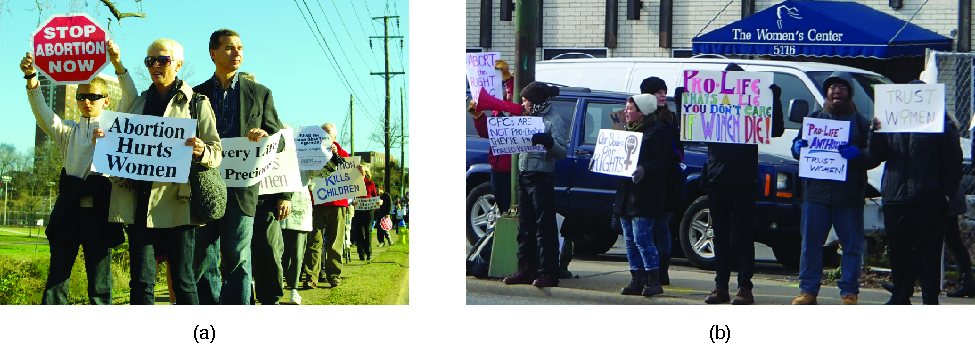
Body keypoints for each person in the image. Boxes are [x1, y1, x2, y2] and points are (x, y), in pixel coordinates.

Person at [94, 37, 222, 305]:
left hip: (178, 204)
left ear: (178, 64)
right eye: (150, 60)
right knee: (140, 281)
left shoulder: (197, 103)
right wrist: (106, 140)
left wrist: (201, 152)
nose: (155, 65)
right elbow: (119, 139)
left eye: (162, 59)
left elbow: (216, 152)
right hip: (138, 203)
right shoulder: (138, 103)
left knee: (183, 279)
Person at [22, 41, 128, 305]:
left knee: (100, 284)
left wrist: (117, 63)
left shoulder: (117, 129)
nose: (85, 102)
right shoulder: (67, 130)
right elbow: (43, 115)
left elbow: (131, 99)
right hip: (68, 210)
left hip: (100, 213)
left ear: (106, 100)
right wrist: (32, 78)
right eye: (81, 97)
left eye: (92, 96)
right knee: (57, 278)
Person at [192, 29, 288, 305]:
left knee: (237, 258)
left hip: (242, 189)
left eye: (240, 48)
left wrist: (264, 138)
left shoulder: (259, 94)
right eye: (230, 48)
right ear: (213, 53)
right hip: (205, 186)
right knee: (203, 257)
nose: (237, 53)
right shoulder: (196, 95)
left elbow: (278, 141)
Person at [868, 79, 963, 305]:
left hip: (929, 199)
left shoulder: (940, 125)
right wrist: (875, 132)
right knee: (898, 252)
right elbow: (875, 157)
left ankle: (930, 300)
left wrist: (946, 194)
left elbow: (953, 162)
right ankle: (900, 296)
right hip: (895, 198)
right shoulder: (891, 123)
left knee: (928, 255)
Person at [789, 71, 878, 305]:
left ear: (849, 92)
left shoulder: (861, 123)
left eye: (842, 87)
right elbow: (798, 150)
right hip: (815, 195)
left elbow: (873, 157)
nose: (836, 91)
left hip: (848, 197)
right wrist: (797, 148)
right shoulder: (813, 119)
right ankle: (808, 291)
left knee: (851, 247)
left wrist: (859, 155)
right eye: (832, 87)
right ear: (827, 92)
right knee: (811, 245)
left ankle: (849, 292)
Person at [700, 63, 784, 305]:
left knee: (743, 236)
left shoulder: (752, 108)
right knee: (720, 235)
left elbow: (775, 129)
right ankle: (721, 286)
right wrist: (683, 101)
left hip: (744, 179)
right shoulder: (712, 106)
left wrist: (774, 99)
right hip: (718, 178)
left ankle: (745, 288)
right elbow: (690, 130)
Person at [501, 81, 568, 288]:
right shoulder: (526, 118)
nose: (523, 104)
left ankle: (548, 271)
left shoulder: (553, 121)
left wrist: (548, 142)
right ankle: (526, 267)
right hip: (524, 175)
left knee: (544, 227)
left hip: (541, 178)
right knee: (526, 226)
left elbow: (562, 152)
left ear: (536, 102)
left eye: (525, 100)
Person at [614, 91, 680, 296]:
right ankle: (636, 278)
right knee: (630, 238)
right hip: (627, 192)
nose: (625, 112)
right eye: (626, 108)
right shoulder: (625, 130)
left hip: (646, 194)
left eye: (630, 109)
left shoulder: (658, 132)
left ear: (641, 112)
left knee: (643, 237)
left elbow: (663, 161)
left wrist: (644, 168)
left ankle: (654, 279)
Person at [303, 123, 352, 288]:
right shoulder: (311, 153)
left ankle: (334, 276)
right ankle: (311, 277)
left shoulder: (343, 154)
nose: (325, 135)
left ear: (335, 137)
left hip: (337, 204)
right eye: (322, 133)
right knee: (314, 241)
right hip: (316, 204)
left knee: (335, 242)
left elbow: (349, 169)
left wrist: (335, 155)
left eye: (328, 133)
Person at [469, 59, 517, 215]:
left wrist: (508, 78)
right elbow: (485, 132)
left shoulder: (516, 110)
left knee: (513, 207)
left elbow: (515, 97)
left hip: (513, 169)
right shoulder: (497, 112)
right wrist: (478, 117)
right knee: (503, 207)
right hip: (497, 169)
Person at [280, 164, 315, 305]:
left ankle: (293, 288)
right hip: (272, 206)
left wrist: (329, 155)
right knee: (273, 251)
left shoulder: (308, 149)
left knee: (297, 253)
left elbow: (322, 172)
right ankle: (275, 284)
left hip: (298, 211)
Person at [352, 167, 379, 260]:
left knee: (368, 230)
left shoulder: (370, 183)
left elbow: (375, 195)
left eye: (362, 169)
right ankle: (361, 253)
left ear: (365, 171)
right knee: (359, 231)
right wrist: (352, 202)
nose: (360, 171)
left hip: (369, 209)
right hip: (358, 209)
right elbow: (351, 197)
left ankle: (369, 252)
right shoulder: (354, 182)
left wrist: (380, 202)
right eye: (358, 169)